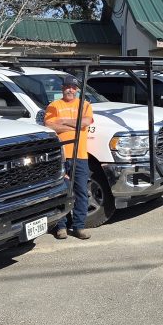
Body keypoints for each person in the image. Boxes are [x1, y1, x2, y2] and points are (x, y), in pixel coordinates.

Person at [45, 76, 95, 240]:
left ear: (77, 89)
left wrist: (65, 121)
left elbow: (85, 122)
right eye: (67, 86)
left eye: (73, 87)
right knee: (62, 193)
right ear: (62, 88)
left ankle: (79, 227)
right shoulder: (54, 105)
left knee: (81, 192)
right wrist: (75, 123)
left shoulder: (85, 105)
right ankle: (61, 227)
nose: (70, 90)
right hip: (61, 157)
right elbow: (49, 125)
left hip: (80, 156)